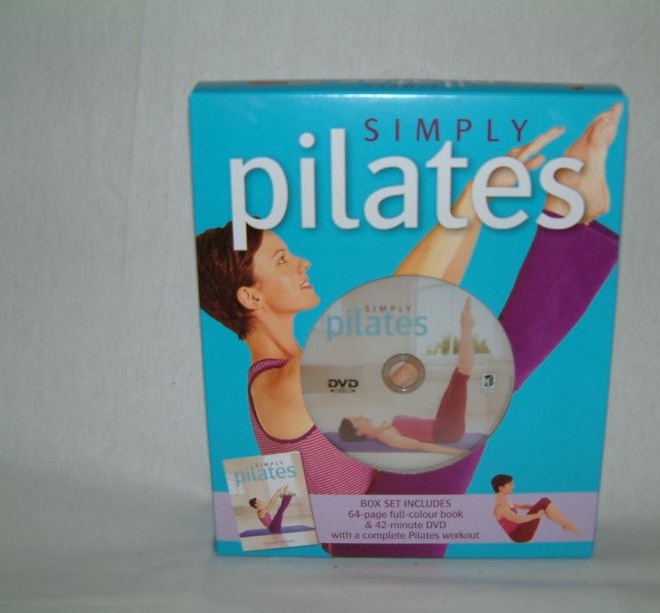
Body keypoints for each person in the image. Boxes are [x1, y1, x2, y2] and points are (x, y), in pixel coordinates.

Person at [196, 103, 624, 557]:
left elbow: (425, 298)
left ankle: (568, 214)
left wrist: (477, 208)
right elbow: (394, 302)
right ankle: (566, 214)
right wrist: (470, 198)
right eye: (282, 260)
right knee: (484, 374)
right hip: (370, 544)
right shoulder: (282, 385)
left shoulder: (294, 372)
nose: (304, 262)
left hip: (383, 519)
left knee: (476, 370)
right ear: (251, 297)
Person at [337, 298, 475, 457]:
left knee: (458, 375)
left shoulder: (383, 427)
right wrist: (458, 453)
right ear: (359, 431)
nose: (360, 416)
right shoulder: (385, 436)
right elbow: (420, 446)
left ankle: (466, 327)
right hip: (446, 432)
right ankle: (466, 328)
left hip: (441, 423)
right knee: (461, 376)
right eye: (357, 419)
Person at [491, 474, 579, 542]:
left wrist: (539, 507)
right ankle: (566, 524)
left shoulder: (505, 501)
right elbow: (518, 519)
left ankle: (565, 523)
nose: (513, 487)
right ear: (501, 488)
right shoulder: (500, 507)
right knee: (544, 501)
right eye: (510, 485)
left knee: (544, 503)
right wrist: (537, 515)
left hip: (521, 530)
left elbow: (522, 506)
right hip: (520, 535)